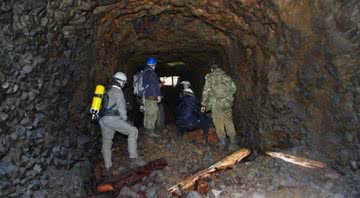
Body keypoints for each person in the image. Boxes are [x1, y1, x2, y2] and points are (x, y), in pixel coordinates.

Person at [99, 72, 146, 175]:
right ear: (120, 81)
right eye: (124, 82)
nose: (124, 84)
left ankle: (108, 166)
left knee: (107, 142)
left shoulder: (107, 90)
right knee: (133, 131)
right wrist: (125, 120)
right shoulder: (118, 91)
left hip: (103, 119)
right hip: (112, 119)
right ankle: (133, 158)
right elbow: (122, 109)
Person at [201, 64, 238, 150]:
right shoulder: (226, 77)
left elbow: (206, 92)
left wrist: (203, 104)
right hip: (227, 103)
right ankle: (232, 142)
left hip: (216, 103)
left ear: (211, 70)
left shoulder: (210, 78)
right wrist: (228, 97)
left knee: (219, 123)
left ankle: (222, 141)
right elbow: (234, 88)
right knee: (229, 122)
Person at [142, 57, 161, 137]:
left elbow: (146, 85)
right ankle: (151, 132)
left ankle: (147, 130)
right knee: (153, 114)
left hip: (146, 96)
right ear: (154, 65)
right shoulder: (151, 73)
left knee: (147, 114)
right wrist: (158, 96)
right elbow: (153, 85)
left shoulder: (145, 72)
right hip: (152, 97)